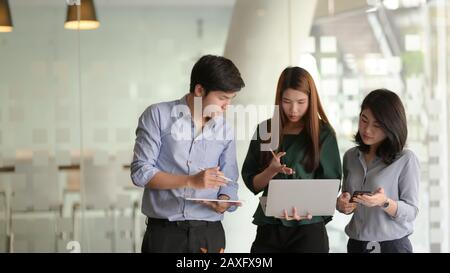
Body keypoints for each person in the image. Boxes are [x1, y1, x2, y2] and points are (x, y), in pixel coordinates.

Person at [131, 54, 245, 253]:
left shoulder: (225, 129)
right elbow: (141, 173)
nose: (227, 106)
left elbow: (230, 181)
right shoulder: (158, 115)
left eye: (231, 99)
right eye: (222, 98)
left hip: (210, 234)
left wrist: (224, 201)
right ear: (199, 90)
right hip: (165, 234)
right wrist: (191, 181)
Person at [241, 67, 342, 253]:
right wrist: (271, 170)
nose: (293, 110)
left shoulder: (324, 134)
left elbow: (332, 184)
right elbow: (253, 184)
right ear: (279, 99)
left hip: (308, 229)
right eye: (287, 101)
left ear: (311, 101)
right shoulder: (265, 131)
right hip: (269, 228)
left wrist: (308, 206)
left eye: (301, 102)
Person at [336, 89, 420, 253]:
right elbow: (348, 199)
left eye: (377, 125)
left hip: (392, 246)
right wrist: (342, 204)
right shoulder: (350, 157)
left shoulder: (406, 159)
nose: (367, 130)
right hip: (356, 245)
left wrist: (384, 202)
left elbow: (411, 211)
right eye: (364, 120)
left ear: (392, 126)